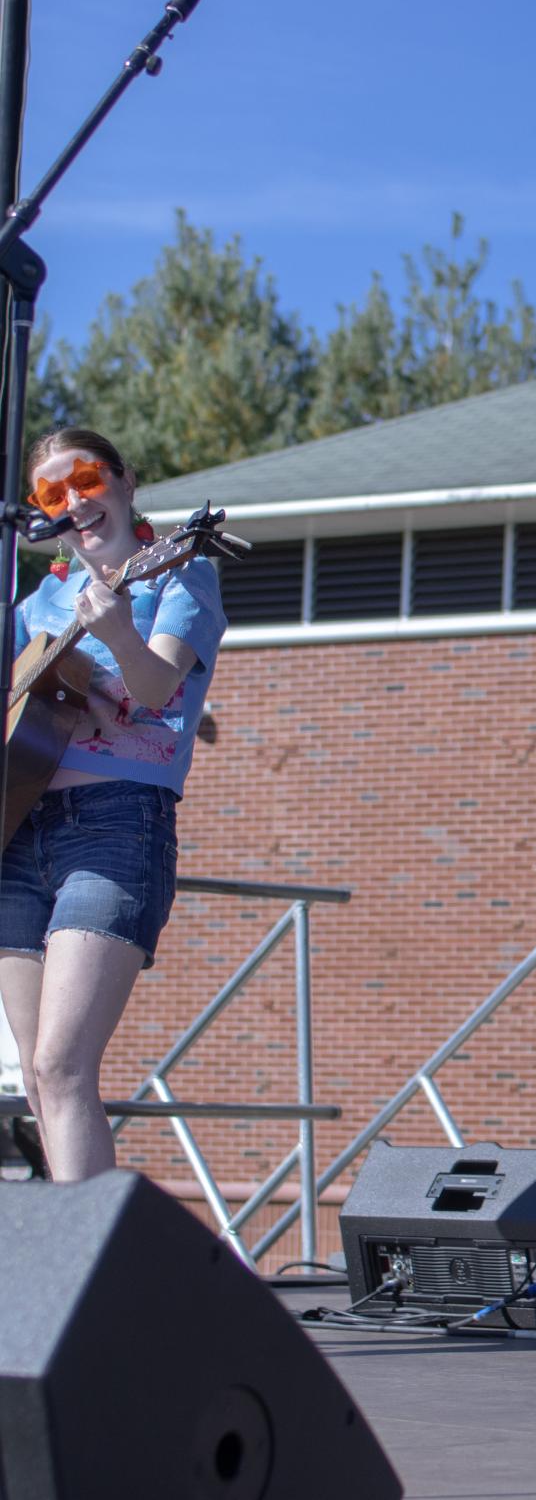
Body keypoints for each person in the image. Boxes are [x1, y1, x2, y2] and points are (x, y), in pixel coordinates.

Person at [0, 428, 226, 1181]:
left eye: (86, 480)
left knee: (63, 1066)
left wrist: (118, 634)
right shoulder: (40, 599)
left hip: (115, 825)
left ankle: (91, 1280)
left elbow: (158, 688)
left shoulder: (178, 574)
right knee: (35, 1077)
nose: (74, 502)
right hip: (20, 828)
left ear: (125, 480)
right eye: (51, 495)